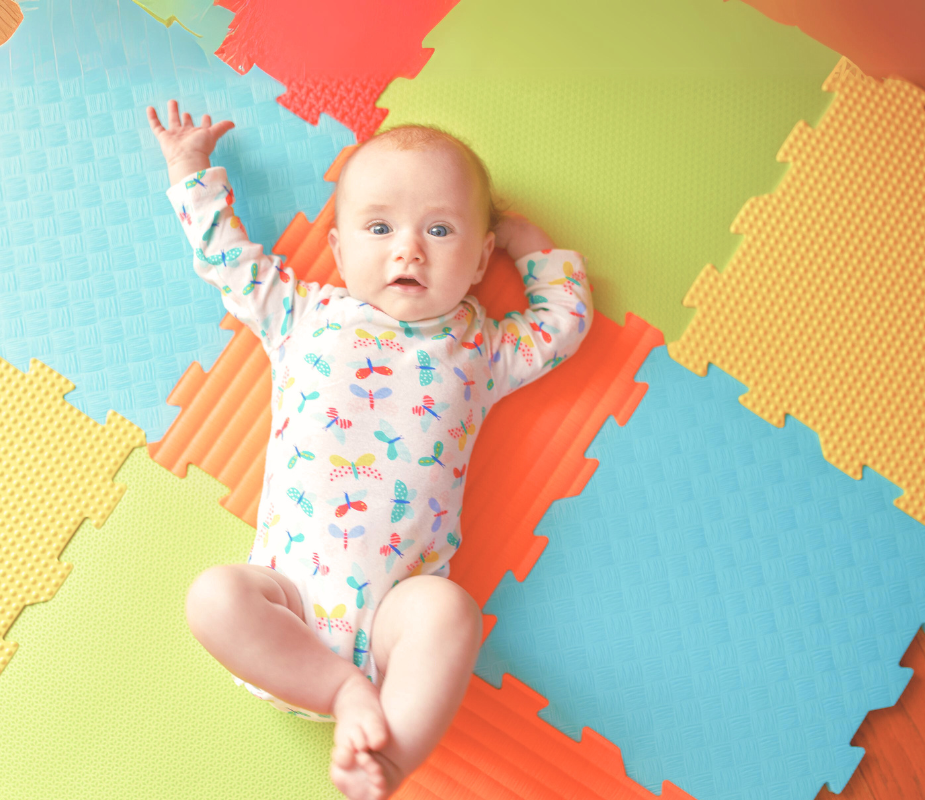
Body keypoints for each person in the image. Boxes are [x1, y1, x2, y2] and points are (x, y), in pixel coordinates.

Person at [148, 99, 593, 799]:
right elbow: (227, 261)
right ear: (339, 249)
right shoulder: (301, 315)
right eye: (379, 227)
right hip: (283, 612)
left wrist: (529, 244)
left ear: (480, 261)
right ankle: (341, 692)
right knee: (213, 596)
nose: (408, 249)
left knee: (450, 614)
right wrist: (189, 168)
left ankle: (389, 758)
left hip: (397, 631)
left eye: (439, 230)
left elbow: (561, 325)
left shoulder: (481, 348)